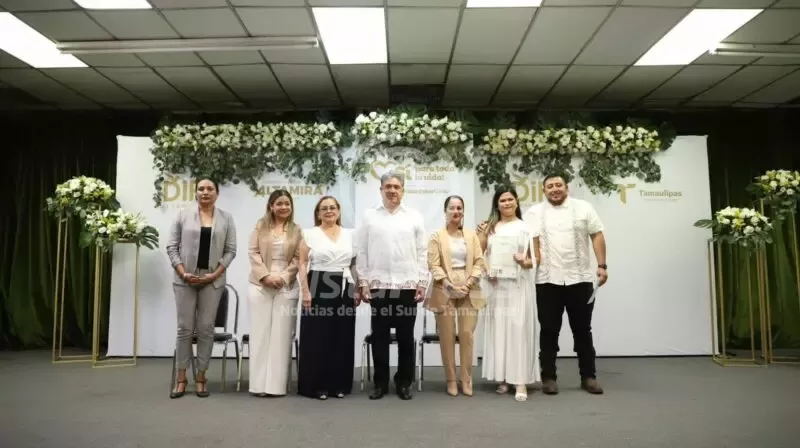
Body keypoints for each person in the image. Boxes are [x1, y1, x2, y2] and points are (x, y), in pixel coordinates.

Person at [524, 174, 607, 395]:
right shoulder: (533, 213)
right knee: (548, 331)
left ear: (566, 187)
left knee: (583, 331)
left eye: (558, 185)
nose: (555, 189)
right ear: (544, 190)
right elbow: (528, 244)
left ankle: (588, 377)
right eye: (550, 186)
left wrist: (602, 265)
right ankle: (548, 378)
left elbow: (597, 235)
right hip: (547, 280)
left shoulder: (583, 208)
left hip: (580, 279)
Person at [355, 170, 428, 400]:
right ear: (381, 190)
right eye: (388, 186)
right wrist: (363, 282)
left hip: (407, 286)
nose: (392, 190)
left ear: (403, 190)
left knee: (406, 337)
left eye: (396, 187)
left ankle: (404, 382)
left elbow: (422, 252)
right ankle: (380, 383)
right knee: (380, 337)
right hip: (379, 286)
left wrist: (422, 282)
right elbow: (362, 251)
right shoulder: (369, 217)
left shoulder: (414, 217)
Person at [167, 178, 237, 399]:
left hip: (212, 281)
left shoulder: (226, 218)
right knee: (184, 329)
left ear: (217, 193)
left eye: (210, 189)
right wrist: (182, 272)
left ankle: (201, 377)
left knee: (206, 329)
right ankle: (181, 378)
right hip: (184, 280)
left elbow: (231, 250)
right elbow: (171, 247)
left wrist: (215, 274)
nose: (205, 192)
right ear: (195, 192)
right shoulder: (182, 215)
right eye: (201, 188)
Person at [477, 186, 539, 402]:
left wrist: (524, 261)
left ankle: (520, 380)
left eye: (510, 199)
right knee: (500, 332)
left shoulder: (527, 228)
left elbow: (535, 260)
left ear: (517, 202)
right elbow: (479, 255)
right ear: (497, 204)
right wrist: (487, 271)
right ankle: (503, 377)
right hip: (497, 287)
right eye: (502, 200)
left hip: (518, 287)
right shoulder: (489, 228)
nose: (507, 203)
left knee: (518, 332)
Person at [297, 196, 359, 400]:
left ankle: (339, 384)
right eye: (324, 208)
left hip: (345, 285)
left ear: (339, 211)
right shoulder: (309, 234)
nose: (329, 211)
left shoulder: (350, 235)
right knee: (317, 336)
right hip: (318, 283)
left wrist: (357, 289)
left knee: (342, 335)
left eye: (332, 207)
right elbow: (302, 263)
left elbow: (354, 264)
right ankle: (316, 385)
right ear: (318, 213)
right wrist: (305, 291)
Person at [425, 195, 486, 397]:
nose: (456, 211)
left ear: (463, 212)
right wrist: (448, 285)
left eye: (459, 208)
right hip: (444, 287)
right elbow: (433, 264)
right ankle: (451, 379)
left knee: (467, 334)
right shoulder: (436, 236)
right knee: (447, 335)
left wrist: (468, 283)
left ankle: (466, 379)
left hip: (469, 287)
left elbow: (479, 261)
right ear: (445, 211)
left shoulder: (471, 236)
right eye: (452, 208)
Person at [247, 189, 302, 397]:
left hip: (286, 286)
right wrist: (265, 276)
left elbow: (298, 259)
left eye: (287, 203)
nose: (283, 207)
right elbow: (253, 252)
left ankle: (276, 387)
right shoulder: (260, 226)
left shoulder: (297, 230)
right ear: (271, 206)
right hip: (260, 285)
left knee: (282, 337)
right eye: (279, 203)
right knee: (260, 335)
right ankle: (258, 385)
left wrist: (283, 277)